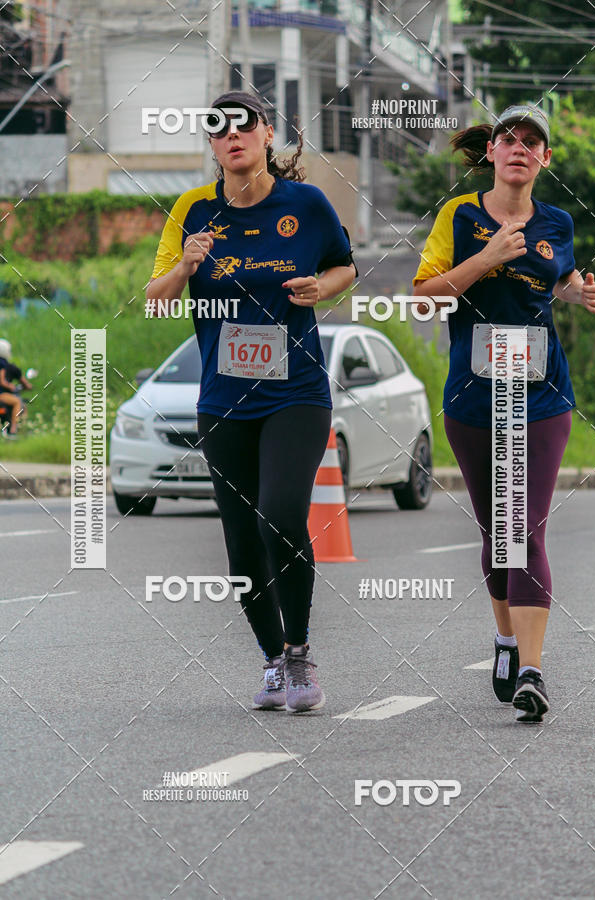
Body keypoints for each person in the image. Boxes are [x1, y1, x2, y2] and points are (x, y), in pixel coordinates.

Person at [146, 90, 357, 712]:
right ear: (212, 145)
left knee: (280, 516)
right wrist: (185, 266)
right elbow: (156, 298)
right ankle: (271, 661)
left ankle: (300, 652)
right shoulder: (192, 209)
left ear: (267, 133)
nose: (232, 136)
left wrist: (321, 287)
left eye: (244, 125)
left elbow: (345, 267)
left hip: (297, 392)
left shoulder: (306, 204)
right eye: (219, 129)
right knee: (241, 541)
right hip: (224, 399)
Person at [413, 105, 595, 722]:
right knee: (499, 536)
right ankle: (505, 637)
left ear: (545, 159)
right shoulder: (459, 216)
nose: (520, 147)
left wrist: (579, 291)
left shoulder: (557, 222)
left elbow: (556, 280)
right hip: (473, 397)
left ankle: (533, 672)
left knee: (525, 527)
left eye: (532, 142)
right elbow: (424, 297)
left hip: (541, 396)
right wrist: (487, 257)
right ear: (491, 152)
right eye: (509, 138)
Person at [0, 339, 32, 439]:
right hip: (1, 394)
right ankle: (13, 430)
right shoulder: (3, 364)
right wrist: (11, 386)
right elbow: (2, 381)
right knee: (17, 401)